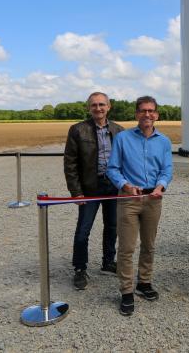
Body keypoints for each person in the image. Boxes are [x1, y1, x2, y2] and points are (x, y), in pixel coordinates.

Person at [107, 96, 173, 316]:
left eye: (151, 111)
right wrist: (125, 185)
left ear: (157, 115)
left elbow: (167, 170)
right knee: (126, 248)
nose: (147, 114)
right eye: (143, 110)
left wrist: (161, 186)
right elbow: (113, 168)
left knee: (149, 244)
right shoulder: (123, 138)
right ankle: (126, 291)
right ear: (136, 114)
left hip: (153, 199)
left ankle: (144, 282)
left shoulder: (164, 141)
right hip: (128, 199)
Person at [64, 92, 124, 290]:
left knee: (112, 226)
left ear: (109, 107)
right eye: (94, 105)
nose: (98, 108)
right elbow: (70, 164)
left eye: (101, 105)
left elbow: (126, 161)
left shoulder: (119, 130)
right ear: (89, 108)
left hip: (113, 187)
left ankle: (108, 262)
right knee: (83, 230)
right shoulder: (78, 130)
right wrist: (76, 192)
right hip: (90, 188)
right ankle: (80, 268)